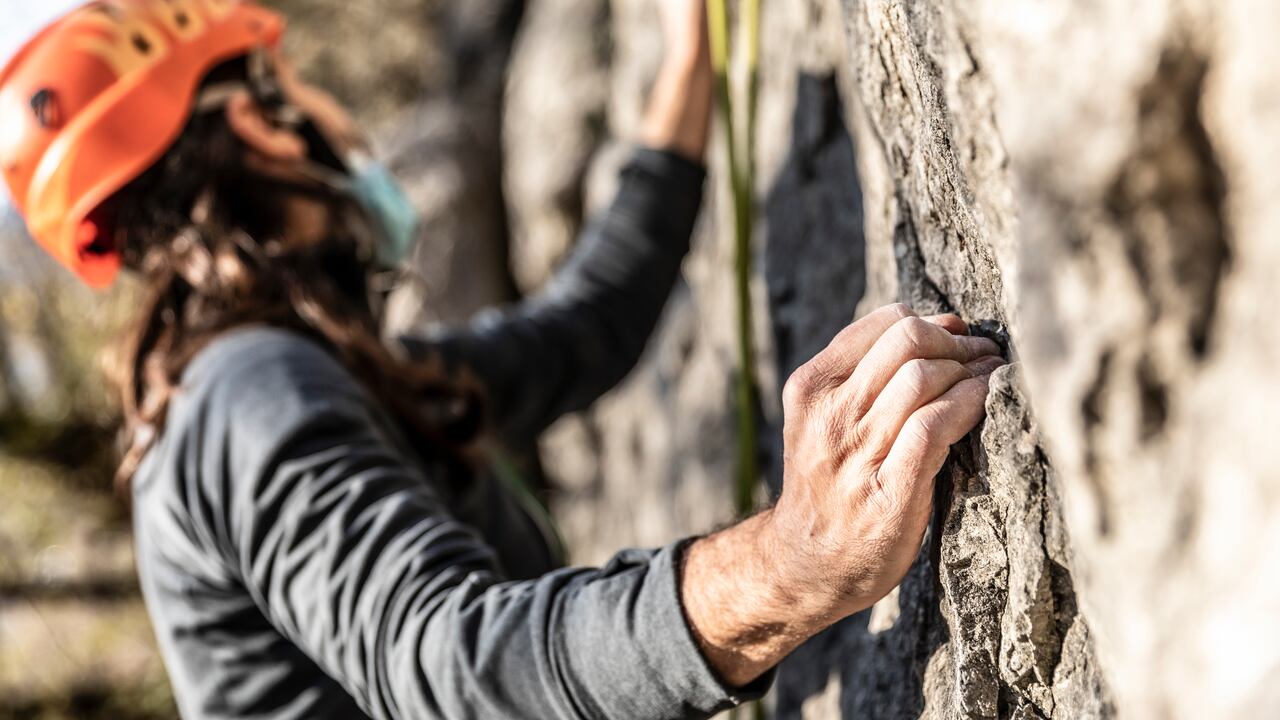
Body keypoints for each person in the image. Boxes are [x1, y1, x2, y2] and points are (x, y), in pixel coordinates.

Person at [0, 0, 1007, 718]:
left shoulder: (311, 378)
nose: (337, 117)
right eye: (294, 80)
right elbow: (450, 659)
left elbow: (583, 330)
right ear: (259, 122)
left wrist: (685, 61)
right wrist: (791, 564)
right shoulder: (248, 397)